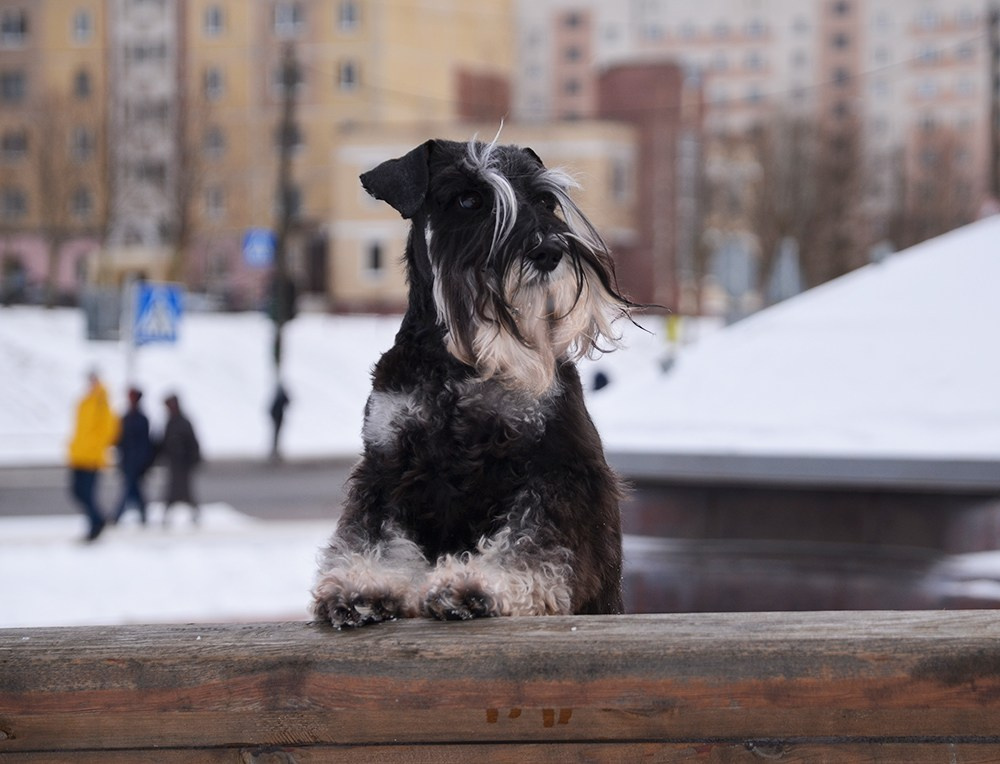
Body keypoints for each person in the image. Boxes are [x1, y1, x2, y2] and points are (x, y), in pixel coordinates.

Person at [67, 371, 120, 542]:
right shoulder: (85, 401)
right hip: (79, 455)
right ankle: (98, 520)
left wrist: (96, 447)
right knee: (77, 492)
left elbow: (109, 430)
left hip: (92, 457)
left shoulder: (101, 402)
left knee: (87, 493)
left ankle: (95, 526)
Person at [112, 387, 154, 526]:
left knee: (130, 489)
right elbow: (120, 439)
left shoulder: (142, 419)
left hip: (138, 461)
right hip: (128, 460)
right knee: (133, 489)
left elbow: (145, 442)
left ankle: (119, 515)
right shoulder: (125, 418)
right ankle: (141, 513)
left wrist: (145, 461)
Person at [159, 393, 202, 525]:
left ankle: (195, 515)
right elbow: (164, 442)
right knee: (172, 493)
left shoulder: (183, 422)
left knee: (185, 493)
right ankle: (167, 517)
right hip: (174, 464)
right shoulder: (170, 422)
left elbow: (193, 443)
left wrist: (193, 459)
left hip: (184, 464)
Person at [269, 382, 290, 462]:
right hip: (277, 418)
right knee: (276, 435)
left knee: (276, 435)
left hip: (277, 418)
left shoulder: (277, 398)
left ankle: (275, 451)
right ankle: (275, 451)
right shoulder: (279, 398)